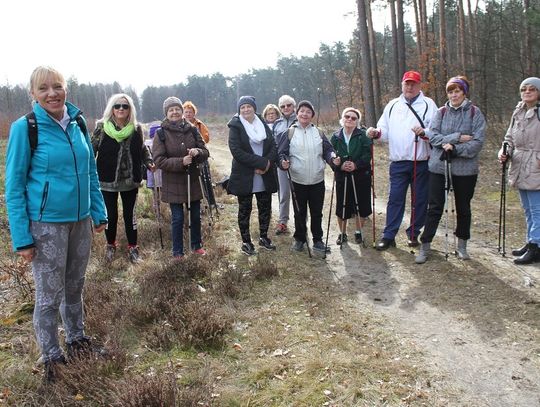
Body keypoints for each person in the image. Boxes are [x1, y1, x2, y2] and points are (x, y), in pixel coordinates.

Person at [5, 66, 108, 383]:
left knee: (75, 288)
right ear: (33, 94)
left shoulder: (77, 123)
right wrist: (22, 237)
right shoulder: (26, 128)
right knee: (49, 297)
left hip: (80, 222)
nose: (52, 93)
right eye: (44, 88)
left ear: (67, 89)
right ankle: (51, 357)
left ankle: (77, 341)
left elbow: (90, 171)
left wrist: (98, 210)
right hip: (46, 225)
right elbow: (14, 186)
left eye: (58, 87)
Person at [415, 76, 486, 264]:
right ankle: (426, 244)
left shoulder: (475, 113)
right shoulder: (441, 112)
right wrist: (456, 138)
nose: (453, 94)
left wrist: (454, 149)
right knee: (435, 207)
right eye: (450, 91)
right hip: (439, 168)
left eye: (457, 91)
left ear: (464, 92)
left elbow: (477, 143)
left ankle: (462, 246)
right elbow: (432, 136)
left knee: (463, 208)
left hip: (466, 171)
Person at [367, 70, 438, 250]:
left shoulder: (429, 105)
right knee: (395, 199)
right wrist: (376, 133)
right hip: (398, 162)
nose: (410, 87)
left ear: (419, 85)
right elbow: (384, 130)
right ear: (402, 84)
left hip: (421, 161)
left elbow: (436, 132)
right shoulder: (392, 105)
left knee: (420, 199)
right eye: (407, 83)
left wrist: (425, 133)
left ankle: (414, 233)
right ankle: (389, 235)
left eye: (413, 83)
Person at [92, 93, 154, 264]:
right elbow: (91, 150)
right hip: (107, 179)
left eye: (125, 106)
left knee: (130, 216)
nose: (121, 109)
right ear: (111, 108)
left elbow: (142, 149)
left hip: (130, 180)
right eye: (117, 106)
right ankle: (110, 245)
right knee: (110, 216)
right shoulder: (101, 127)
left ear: (130, 109)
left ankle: (133, 248)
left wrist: (149, 162)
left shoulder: (136, 128)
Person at [152, 97, 209, 260]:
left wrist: (198, 153)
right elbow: (159, 160)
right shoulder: (161, 133)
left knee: (196, 215)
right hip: (173, 183)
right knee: (177, 218)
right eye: (171, 110)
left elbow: (205, 151)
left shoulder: (192, 129)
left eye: (177, 109)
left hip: (192, 180)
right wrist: (180, 162)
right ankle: (178, 252)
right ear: (166, 113)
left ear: (182, 111)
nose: (175, 112)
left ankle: (196, 246)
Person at [278, 100, 335, 254]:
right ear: (297, 114)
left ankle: (318, 240)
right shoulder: (289, 133)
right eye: (302, 111)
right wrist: (283, 162)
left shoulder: (319, 132)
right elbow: (281, 153)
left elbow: (328, 151)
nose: (305, 114)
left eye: (308, 112)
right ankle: (300, 239)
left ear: (312, 116)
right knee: (299, 212)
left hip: (317, 180)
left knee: (317, 212)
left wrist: (333, 159)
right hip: (297, 179)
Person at [227, 96, 278, 255]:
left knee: (265, 208)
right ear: (239, 110)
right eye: (242, 107)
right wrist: (260, 163)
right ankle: (246, 242)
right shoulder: (235, 126)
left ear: (254, 108)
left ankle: (263, 237)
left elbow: (273, 146)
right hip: (245, 175)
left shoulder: (262, 123)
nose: (246, 109)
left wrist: (267, 163)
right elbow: (236, 151)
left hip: (264, 174)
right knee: (245, 209)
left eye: (249, 106)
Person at [498, 77, 540, 265]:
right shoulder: (518, 111)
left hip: (536, 164)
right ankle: (531, 241)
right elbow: (509, 137)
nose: (527, 92)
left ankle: (536, 246)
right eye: (524, 89)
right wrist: (504, 150)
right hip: (520, 164)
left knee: (537, 209)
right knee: (528, 209)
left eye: (532, 89)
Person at [331, 107, 373, 245]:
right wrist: (339, 164)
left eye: (353, 118)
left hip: (361, 175)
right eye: (347, 117)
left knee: (361, 205)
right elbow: (330, 156)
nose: (349, 119)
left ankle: (358, 232)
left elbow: (368, 155)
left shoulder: (363, 136)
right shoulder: (335, 136)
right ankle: (342, 234)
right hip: (342, 176)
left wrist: (356, 165)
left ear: (357, 121)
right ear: (342, 119)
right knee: (342, 206)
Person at [183, 101, 217, 210]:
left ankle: (211, 202)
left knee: (206, 179)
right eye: (186, 112)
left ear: (194, 113)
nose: (188, 114)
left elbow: (206, 137)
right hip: (187, 157)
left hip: (200, 155)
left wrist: (198, 143)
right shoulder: (180, 124)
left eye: (190, 112)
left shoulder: (199, 124)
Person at [272, 95, 297, 235]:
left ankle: (301, 222)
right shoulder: (277, 123)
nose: (286, 108)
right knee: (284, 193)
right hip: (281, 163)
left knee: (298, 194)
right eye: (283, 106)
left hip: (298, 163)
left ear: (294, 106)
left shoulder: (300, 120)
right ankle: (283, 222)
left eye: (288, 105)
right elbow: (273, 144)